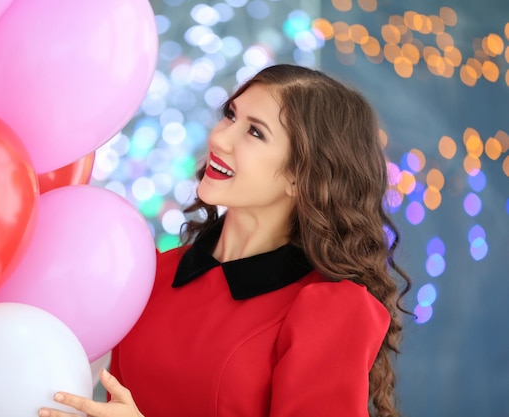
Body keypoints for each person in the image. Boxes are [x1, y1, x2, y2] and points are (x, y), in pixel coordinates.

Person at [38, 64, 412, 417]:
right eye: (231, 115)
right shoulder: (151, 273)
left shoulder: (331, 311)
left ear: (301, 177)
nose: (220, 137)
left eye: (254, 132)